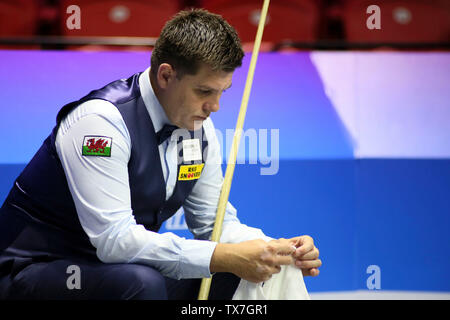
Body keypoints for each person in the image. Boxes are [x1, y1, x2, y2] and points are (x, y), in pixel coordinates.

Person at [0, 9, 321, 300]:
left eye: (222, 92)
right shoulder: (100, 122)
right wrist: (223, 256)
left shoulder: (200, 128)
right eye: (204, 91)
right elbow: (115, 240)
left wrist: (276, 249)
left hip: (112, 270)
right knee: (143, 282)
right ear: (166, 75)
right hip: (35, 270)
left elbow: (214, 224)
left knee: (255, 269)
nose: (215, 107)